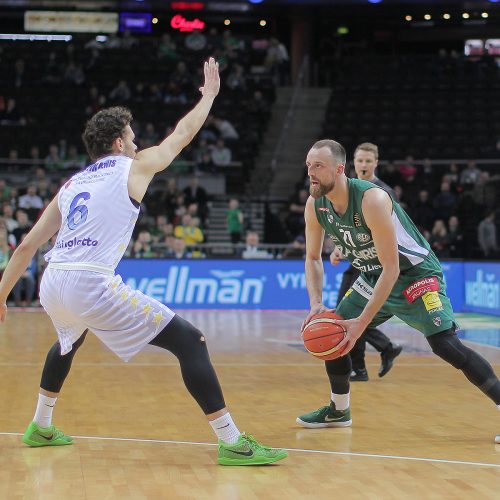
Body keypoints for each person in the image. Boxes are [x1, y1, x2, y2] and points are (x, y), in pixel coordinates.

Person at [0, 58, 287, 466]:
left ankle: (40, 425)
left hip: (53, 280)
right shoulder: (133, 168)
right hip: (88, 282)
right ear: (118, 141)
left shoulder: (72, 183)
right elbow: (183, 134)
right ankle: (232, 441)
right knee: (191, 341)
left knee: (70, 338)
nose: (136, 142)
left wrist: (2, 295)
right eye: (132, 136)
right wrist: (208, 97)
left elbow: (27, 245)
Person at [296, 139, 500, 445]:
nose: (310, 172)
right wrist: (315, 303)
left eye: (318, 166)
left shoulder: (372, 199)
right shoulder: (315, 205)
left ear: (339, 169)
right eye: (308, 165)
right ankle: (339, 410)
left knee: (445, 344)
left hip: (414, 274)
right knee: (335, 329)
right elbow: (313, 257)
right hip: (372, 274)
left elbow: (392, 269)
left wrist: (362, 323)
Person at [331, 143, 402, 381]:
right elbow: (344, 226)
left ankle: (362, 365)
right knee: (347, 315)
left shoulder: (383, 192)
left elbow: (392, 232)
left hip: (378, 266)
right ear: (353, 162)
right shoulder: (348, 189)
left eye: (367, 161)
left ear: (376, 163)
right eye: (359, 161)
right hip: (356, 262)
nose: (363, 165)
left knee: (352, 315)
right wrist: (340, 247)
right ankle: (372, 358)